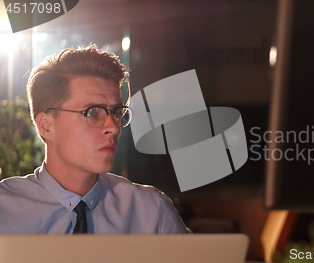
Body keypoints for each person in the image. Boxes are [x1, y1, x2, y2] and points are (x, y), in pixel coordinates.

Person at [0, 44, 190, 234]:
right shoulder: (5, 211)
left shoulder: (151, 213)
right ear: (46, 126)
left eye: (116, 113)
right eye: (92, 112)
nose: (114, 127)